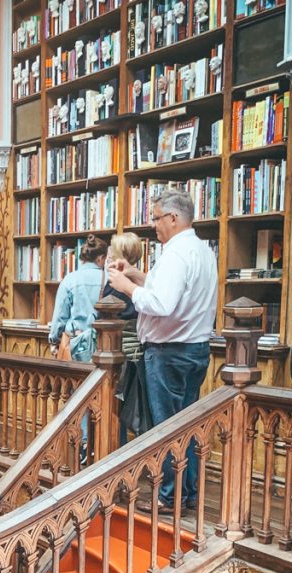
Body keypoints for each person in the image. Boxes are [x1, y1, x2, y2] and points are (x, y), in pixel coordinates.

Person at [107, 189, 217, 514]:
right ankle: (189, 492)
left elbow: (161, 304)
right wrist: (136, 275)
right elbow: (171, 290)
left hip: (168, 353)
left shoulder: (176, 254)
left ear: (173, 217)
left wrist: (126, 287)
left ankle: (170, 498)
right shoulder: (201, 250)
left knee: (167, 427)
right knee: (187, 427)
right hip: (195, 348)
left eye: (156, 217)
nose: (153, 225)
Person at [48, 234, 107, 362]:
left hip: (74, 343)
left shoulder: (70, 279)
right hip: (102, 345)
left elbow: (60, 315)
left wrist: (54, 340)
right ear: (101, 258)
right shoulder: (110, 279)